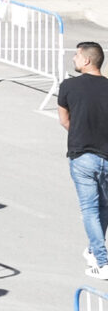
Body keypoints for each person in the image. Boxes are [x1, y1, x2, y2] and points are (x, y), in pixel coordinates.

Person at [60, 42, 108, 279]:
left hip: (82, 157)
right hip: (106, 157)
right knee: (104, 207)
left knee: (90, 209)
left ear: (88, 60)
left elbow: (64, 120)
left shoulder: (68, 86)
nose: (74, 58)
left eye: (77, 55)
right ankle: (93, 250)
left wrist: (79, 133)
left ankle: (102, 260)